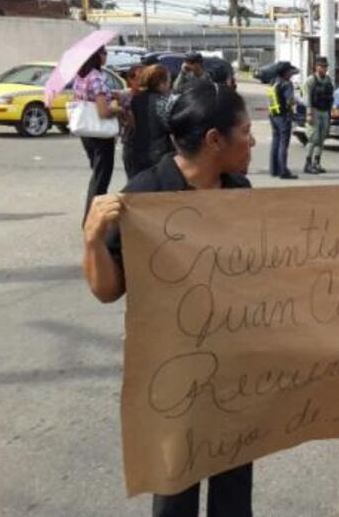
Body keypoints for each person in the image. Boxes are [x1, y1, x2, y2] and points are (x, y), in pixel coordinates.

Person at [82, 83, 256, 517]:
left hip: (235, 368)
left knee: (234, 486)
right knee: (176, 487)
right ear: (215, 140)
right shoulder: (147, 194)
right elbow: (108, 291)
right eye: (246, 132)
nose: (253, 141)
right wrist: (93, 242)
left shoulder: (240, 191)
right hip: (173, 372)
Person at [74, 46, 123, 224]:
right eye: (104, 53)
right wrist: (118, 109)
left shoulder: (81, 76)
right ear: (97, 56)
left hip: (86, 132)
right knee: (101, 178)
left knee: (96, 174)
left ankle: (89, 218)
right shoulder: (96, 78)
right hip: (101, 134)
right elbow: (103, 111)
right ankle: (91, 220)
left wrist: (112, 94)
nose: (106, 57)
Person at [123, 65, 175, 179]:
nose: (170, 84)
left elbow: (131, 123)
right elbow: (169, 126)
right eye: (168, 80)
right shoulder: (164, 101)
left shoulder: (136, 99)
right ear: (162, 82)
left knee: (137, 188)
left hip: (135, 150)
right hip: (157, 153)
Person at [304, 56, 334, 175]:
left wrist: (330, 112)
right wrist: (309, 114)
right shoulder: (311, 80)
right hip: (314, 111)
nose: (325, 69)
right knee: (313, 138)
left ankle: (317, 162)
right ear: (317, 67)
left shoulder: (327, 80)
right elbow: (307, 98)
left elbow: (330, 96)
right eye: (322, 66)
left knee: (321, 139)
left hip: (325, 111)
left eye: (326, 66)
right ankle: (308, 163)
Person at [268, 62, 299, 179]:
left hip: (273, 114)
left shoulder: (274, 81)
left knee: (275, 142)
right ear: (285, 72)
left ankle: (274, 169)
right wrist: (296, 101)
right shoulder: (286, 84)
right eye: (290, 72)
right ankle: (283, 171)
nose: (291, 74)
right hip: (283, 116)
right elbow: (290, 101)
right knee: (283, 144)